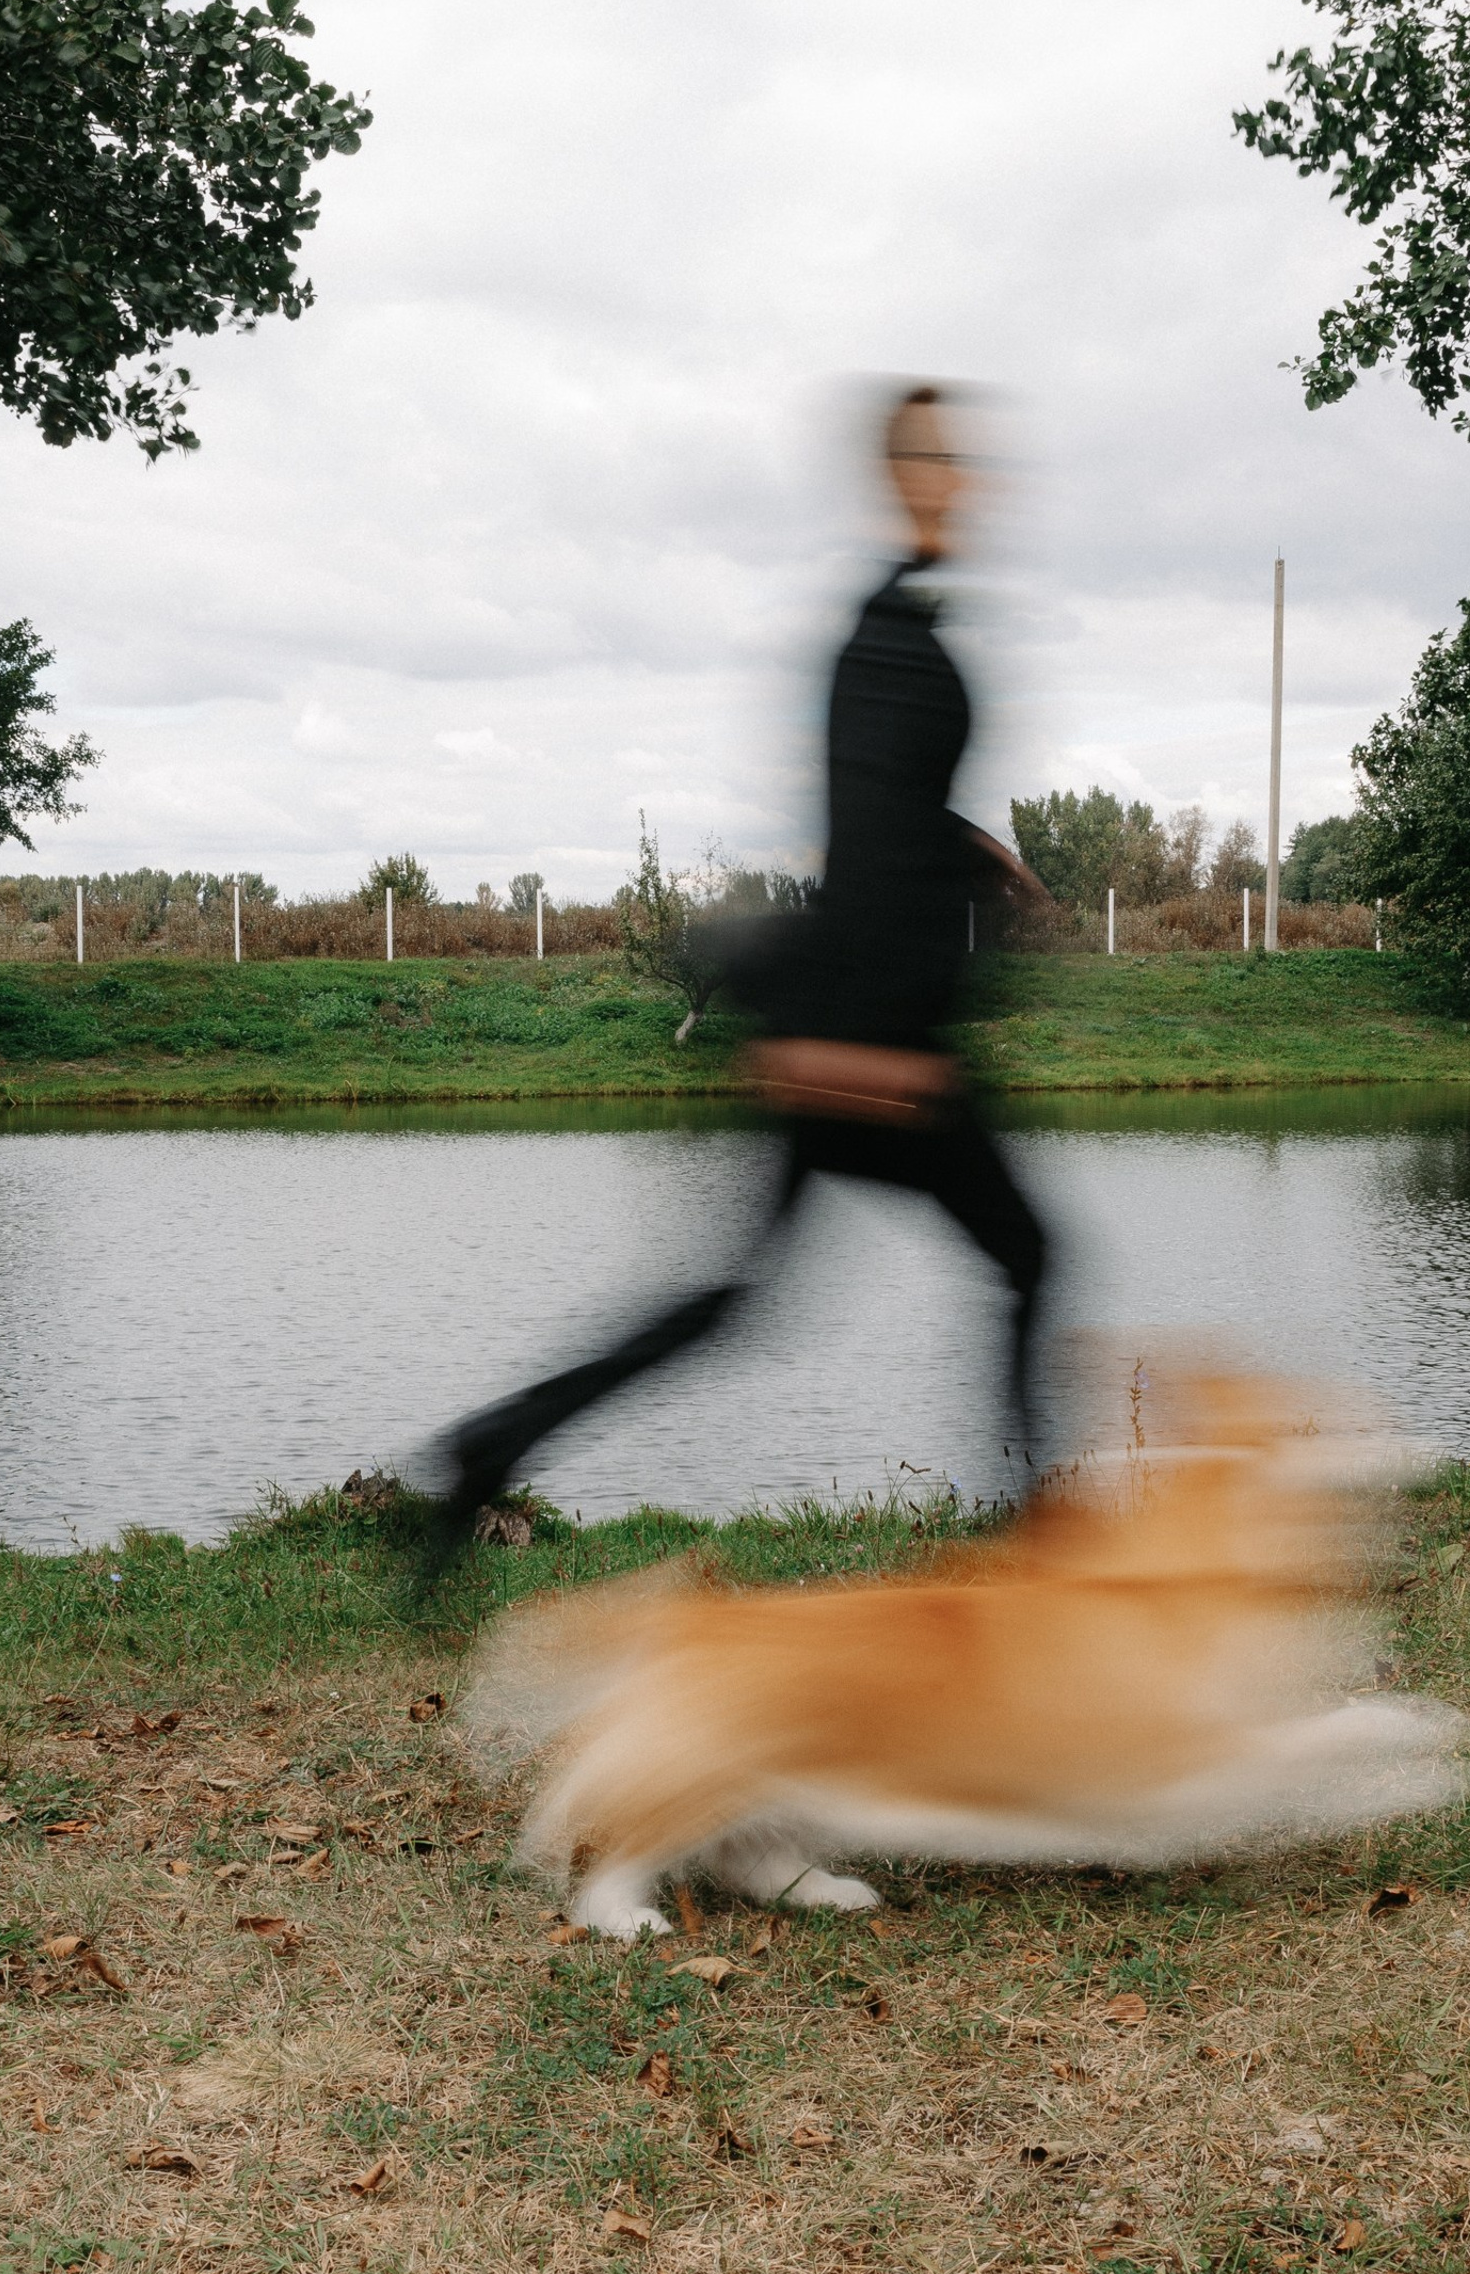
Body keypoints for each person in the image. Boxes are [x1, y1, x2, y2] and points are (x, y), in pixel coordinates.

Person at [420, 384, 1054, 1572]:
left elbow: (890, 809)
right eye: (943, 455)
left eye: (966, 456)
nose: (966, 475)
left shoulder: (893, 626)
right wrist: (862, 1044)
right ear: (903, 474)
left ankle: (492, 1442)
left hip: (852, 1024)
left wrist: (983, 853)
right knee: (1026, 1254)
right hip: (870, 1038)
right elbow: (870, 835)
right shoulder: (890, 641)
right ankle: (1035, 1544)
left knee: (739, 1300)